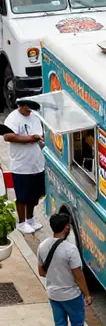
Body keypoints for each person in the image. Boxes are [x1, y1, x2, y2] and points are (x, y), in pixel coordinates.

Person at [37, 212, 95, 326]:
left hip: (54, 295)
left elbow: (41, 272)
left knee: (60, 325)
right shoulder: (70, 249)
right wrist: (87, 294)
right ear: (67, 228)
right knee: (78, 325)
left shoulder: (42, 246)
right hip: (71, 295)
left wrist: (56, 275)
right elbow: (78, 275)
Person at [5, 99, 45, 233]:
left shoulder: (34, 117)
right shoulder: (13, 118)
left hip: (36, 163)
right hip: (21, 165)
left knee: (34, 195)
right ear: (20, 106)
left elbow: (40, 134)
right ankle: (21, 223)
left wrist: (39, 140)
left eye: (30, 109)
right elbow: (8, 137)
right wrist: (30, 139)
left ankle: (30, 219)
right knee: (22, 196)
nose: (29, 111)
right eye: (27, 108)